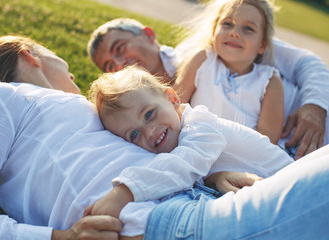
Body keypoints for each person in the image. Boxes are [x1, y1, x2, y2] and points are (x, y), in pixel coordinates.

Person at [0, 35, 329, 240]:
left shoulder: (86, 111)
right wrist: (59, 238)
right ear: (29, 54)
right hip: (167, 222)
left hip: (201, 197)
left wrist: (212, 175)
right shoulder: (0, 99)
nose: (72, 72)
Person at [87, 14, 329, 159]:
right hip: (292, 156)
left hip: (316, 121)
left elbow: (304, 63)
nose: (120, 64)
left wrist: (315, 105)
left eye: (120, 48)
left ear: (149, 35)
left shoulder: (205, 46)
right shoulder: (148, 122)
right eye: (109, 66)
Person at [87, 65, 294, 220]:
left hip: (295, 185)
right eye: (133, 135)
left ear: (172, 99)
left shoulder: (201, 126)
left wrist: (124, 193)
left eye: (149, 114)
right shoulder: (176, 138)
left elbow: (183, 166)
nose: (149, 132)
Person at [173, 0, 285, 145]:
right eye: (227, 24)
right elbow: (175, 106)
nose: (234, 33)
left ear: (262, 45)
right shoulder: (203, 60)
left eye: (248, 29)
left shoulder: (269, 82)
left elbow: (267, 141)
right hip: (193, 143)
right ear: (214, 31)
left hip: (240, 159)